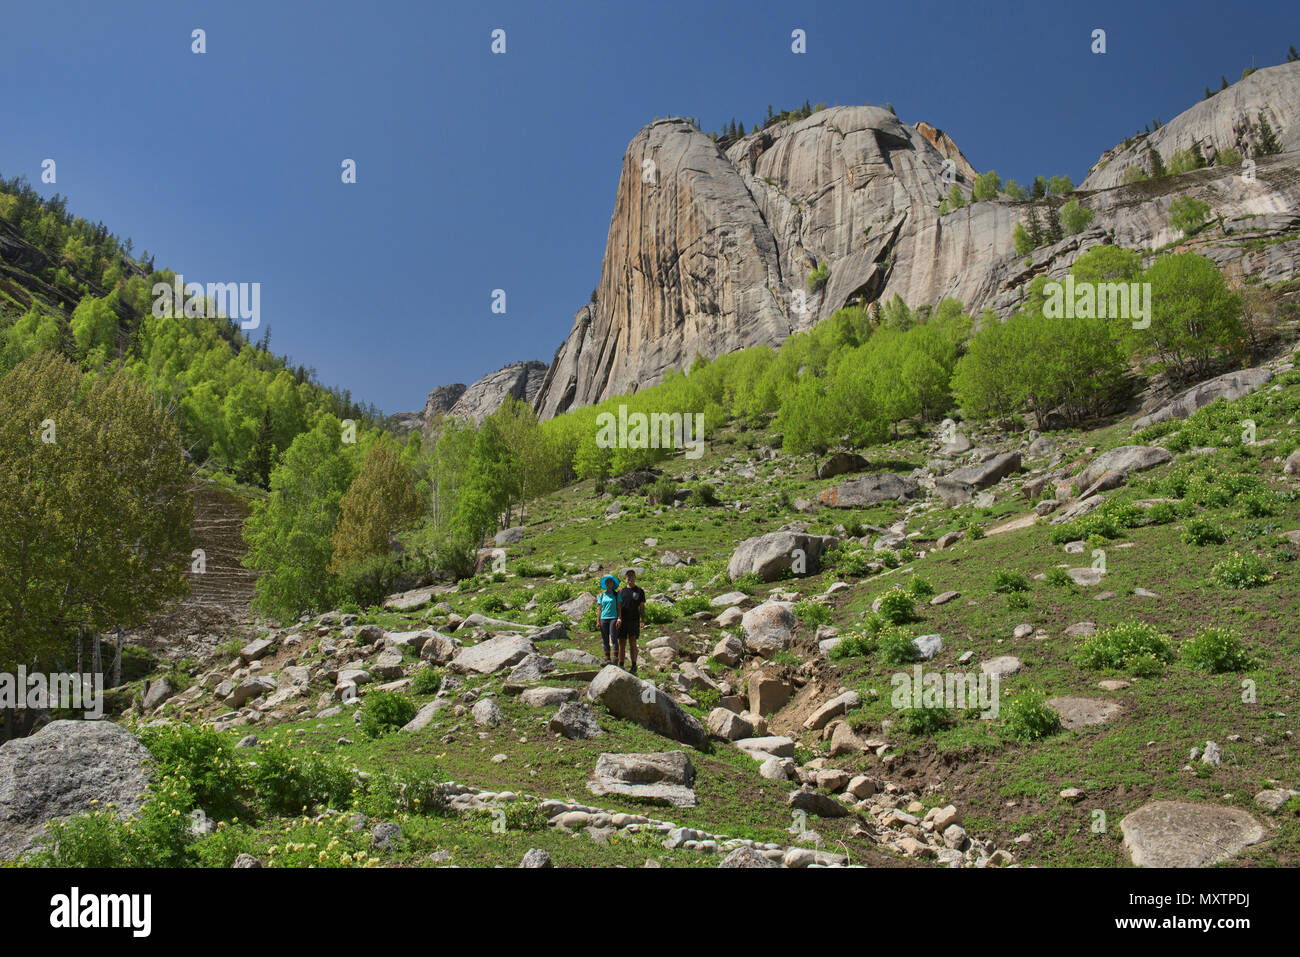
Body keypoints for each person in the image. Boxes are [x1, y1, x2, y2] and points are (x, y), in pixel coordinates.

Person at [616, 568, 646, 674]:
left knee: (633, 642)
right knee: (622, 642)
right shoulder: (621, 591)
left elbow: (642, 607)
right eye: (628, 576)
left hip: (634, 620)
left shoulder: (640, 591)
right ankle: (621, 664)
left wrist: (643, 620)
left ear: (635, 578)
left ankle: (634, 665)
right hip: (622, 620)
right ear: (626, 578)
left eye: (632, 576)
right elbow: (618, 606)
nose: (630, 578)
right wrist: (618, 618)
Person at [596, 574, 621, 664]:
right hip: (603, 618)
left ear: (613, 584)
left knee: (613, 637)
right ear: (605, 584)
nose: (608, 583)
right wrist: (598, 621)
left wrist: (619, 618)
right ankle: (607, 658)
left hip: (613, 618)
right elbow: (599, 609)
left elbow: (619, 607)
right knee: (605, 638)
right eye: (607, 582)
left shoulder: (616, 594)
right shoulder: (602, 595)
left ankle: (615, 658)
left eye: (610, 582)